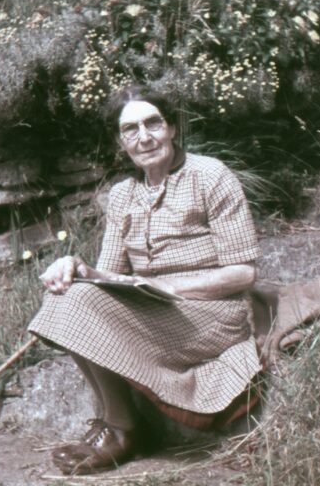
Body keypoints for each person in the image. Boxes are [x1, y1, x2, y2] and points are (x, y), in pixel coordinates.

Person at [28, 85, 263, 475]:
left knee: (81, 304)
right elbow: (106, 276)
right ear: (121, 142)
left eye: (153, 123)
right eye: (131, 130)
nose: (145, 137)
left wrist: (172, 287)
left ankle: (122, 431)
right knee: (70, 295)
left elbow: (244, 272)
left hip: (211, 313)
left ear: (171, 127)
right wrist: (75, 266)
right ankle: (118, 423)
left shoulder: (210, 176)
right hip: (154, 309)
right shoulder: (123, 195)